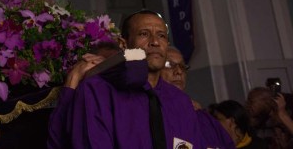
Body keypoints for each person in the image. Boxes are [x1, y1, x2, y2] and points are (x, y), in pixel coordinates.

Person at [48, 9, 234, 149]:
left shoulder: (181, 101)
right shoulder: (97, 91)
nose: (155, 41)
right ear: (123, 44)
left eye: (161, 35)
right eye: (144, 34)